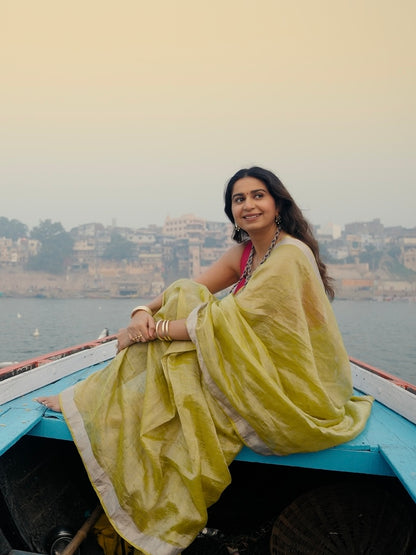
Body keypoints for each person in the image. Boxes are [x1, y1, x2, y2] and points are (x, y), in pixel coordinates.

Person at [37, 167, 373, 555]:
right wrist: (139, 311)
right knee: (185, 292)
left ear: (277, 203)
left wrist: (151, 330)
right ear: (232, 212)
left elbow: (227, 322)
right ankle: (107, 402)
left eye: (257, 195)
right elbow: (188, 291)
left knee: (197, 320)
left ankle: (94, 401)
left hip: (287, 384)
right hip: (248, 367)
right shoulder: (245, 253)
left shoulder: (290, 255)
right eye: (239, 199)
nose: (248, 205)